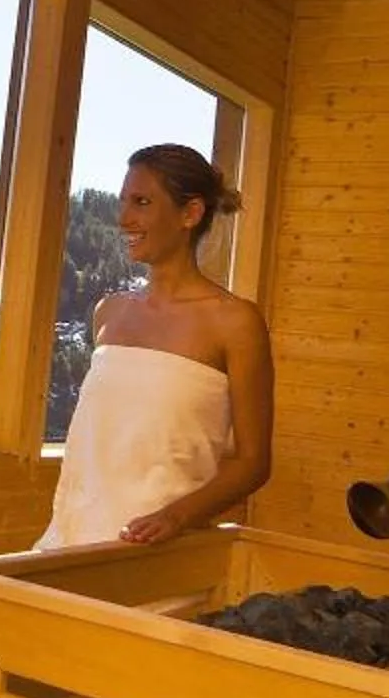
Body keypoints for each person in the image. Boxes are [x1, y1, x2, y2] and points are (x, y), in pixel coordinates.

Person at [37, 144, 275, 549]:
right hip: (69, 544)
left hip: (158, 552)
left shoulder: (235, 323)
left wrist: (175, 517)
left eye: (142, 202)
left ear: (190, 213)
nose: (124, 218)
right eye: (123, 202)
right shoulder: (109, 313)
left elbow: (253, 463)